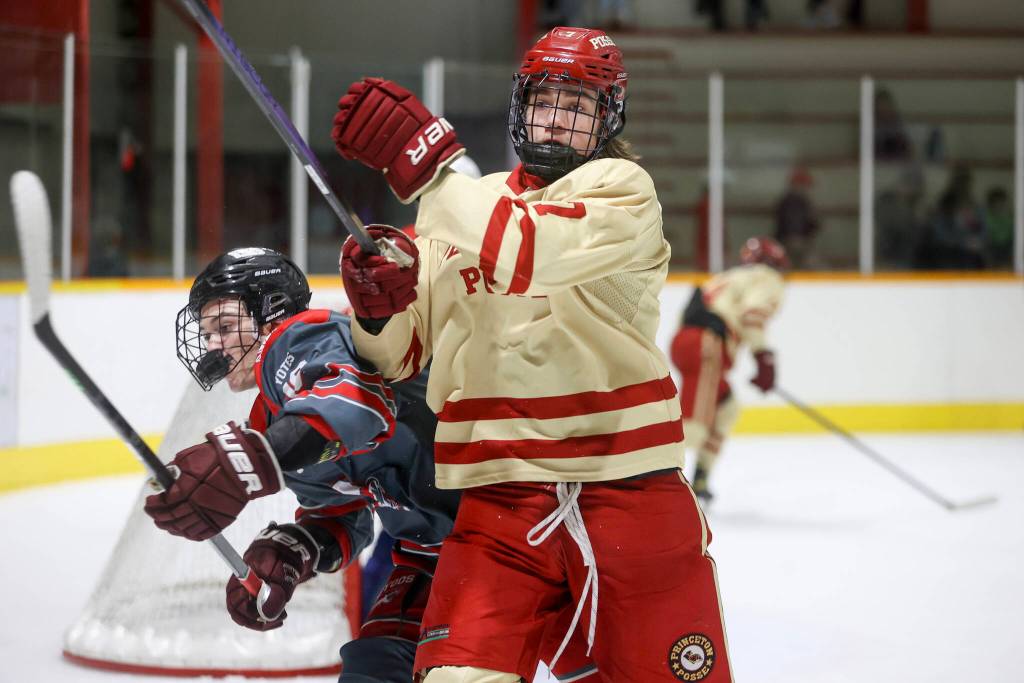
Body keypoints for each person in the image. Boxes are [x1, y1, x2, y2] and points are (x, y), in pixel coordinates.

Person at [331, 26, 733, 683]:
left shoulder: (624, 192)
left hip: (629, 500)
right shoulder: (463, 204)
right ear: (522, 106)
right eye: (547, 101)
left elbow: (529, 250)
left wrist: (428, 168)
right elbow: (398, 355)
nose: (557, 119)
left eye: (578, 107)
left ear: (607, 119)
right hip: (500, 508)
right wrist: (380, 304)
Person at [143, 247, 460, 683]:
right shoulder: (269, 416)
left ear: (272, 313)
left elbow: (354, 406)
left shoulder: (301, 336)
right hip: (433, 555)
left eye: (225, 325)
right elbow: (342, 517)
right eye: (208, 331)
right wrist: (291, 553)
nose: (213, 345)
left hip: (511, 523)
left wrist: (248, 462)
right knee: (375, 669)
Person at [670, 237, 788, 503]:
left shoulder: (727, 277)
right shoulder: (767, 278)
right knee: (694, 426)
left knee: (727, 408)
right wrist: (763, 358)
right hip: (708, 346)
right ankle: (646, 478)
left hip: (691, 343)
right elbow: (752, 315)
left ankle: (700, 477)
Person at [774, 166, 821, 270]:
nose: (807, 188)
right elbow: (795, 223)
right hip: (796, 241)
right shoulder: (795, 201)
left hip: (794, 240)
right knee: (810, 265)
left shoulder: (793, 200)